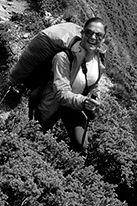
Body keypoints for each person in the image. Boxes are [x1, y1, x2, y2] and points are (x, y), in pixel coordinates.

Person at [20, 18, 107, 153]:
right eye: (89, 33)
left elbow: (93, 83)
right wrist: (84, 101)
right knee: (33, 138)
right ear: (82, 33)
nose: (93, 37)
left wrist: (94, 95)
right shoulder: (63, 57)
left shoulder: (98, 58)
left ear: (103, 38)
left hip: (76, 106)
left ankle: (65, 165)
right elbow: (61, 93)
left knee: (81, 147)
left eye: (98, 35)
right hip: (54, 104)